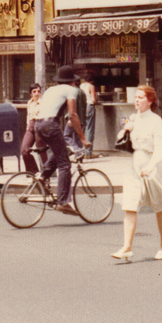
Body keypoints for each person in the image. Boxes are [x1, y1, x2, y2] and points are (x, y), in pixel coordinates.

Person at [112, 85, 162, 262]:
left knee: (160, 206)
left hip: (154, 166)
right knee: (129, 205)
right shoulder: (133, 117)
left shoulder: (156, 120)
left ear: (150, 101)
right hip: (136, 165)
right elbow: (120, 138)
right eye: (135, 97)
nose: (137, 100)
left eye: (141, 97)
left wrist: (151, 165)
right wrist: (126, 129)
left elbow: (161, 146)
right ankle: (127, 248)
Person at [35, 65, 91, 216]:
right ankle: (63, 202)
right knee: (65, 164)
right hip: (50, 125)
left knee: (61, 151)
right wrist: (83, 138)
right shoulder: (71, 90)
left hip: (38, 125)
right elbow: (72, 114)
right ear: (72, 81)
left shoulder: (49, 90)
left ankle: (42, 176)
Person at [21, 83, 49, 175]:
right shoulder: (29, 103)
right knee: (24, 150)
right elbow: (28, 116)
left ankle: (46, 173)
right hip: (30, 127)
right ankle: (33, 172)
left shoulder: (43, 103)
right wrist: (28, 127)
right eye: (34, 91)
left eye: (38, 91)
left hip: (39, 126)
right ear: (31, 93)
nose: (36, 93)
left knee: (41, 149)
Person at [79, 71, 98, 157]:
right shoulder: (91, 86)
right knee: (90, 129)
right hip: (89, 107)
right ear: (93, 80)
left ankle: (80, 152)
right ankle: (88, 153)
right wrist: (96, 98)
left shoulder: (81, 85)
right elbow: (93, 100)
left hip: (82, 107)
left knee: (82, 129)